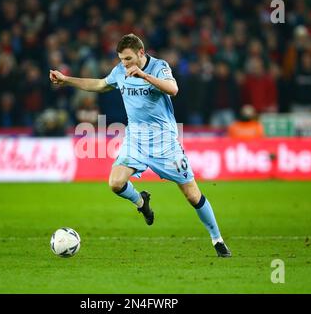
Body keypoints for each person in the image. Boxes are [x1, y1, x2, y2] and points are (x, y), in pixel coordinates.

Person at [50, 34, 231, 257]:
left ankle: (217, 239)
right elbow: (99, 84)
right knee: (115, 183)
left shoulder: (159, 67)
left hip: (165, 144)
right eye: (121, 59)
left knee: (193, 195)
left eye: (127, 59)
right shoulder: (120, 71)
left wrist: (144, 76)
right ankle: (141, 201)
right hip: (136, 140)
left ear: (141, 53)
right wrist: (66, 79)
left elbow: (173, 89)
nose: (124, 64)